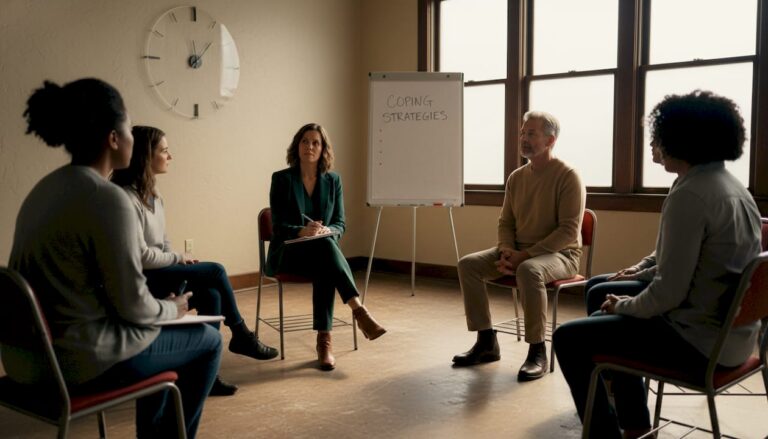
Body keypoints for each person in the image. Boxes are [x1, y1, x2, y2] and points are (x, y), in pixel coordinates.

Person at [6, 78, 221, 438]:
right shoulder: (108, 199)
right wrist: (174, 309)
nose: (134, 138)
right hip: (76, 363)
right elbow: (134, 309)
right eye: (129, 127)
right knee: (208, 341)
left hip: (24, 360)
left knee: (157, 331)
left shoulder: (43, 191)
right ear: (113, 138)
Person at [553, 90, 762, 439]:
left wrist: (625, 306)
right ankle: (633, 421)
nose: (656, 144)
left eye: (659, 135)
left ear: (681, 138)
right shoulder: (732, 187)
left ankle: (606, 432)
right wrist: (629, 294)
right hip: (735, 336)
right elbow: (685, 267)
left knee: (567, 337)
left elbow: (668, 292)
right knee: (606, 297)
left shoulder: (691, 195)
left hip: (699, 343)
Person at [111, 125, 278, 396]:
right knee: (216, 270)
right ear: (145, 156)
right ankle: (241, 334)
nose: (170, 156)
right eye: (164, 150)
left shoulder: (154, 195)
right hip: (142, 280)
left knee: (212, 295)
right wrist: (178, 258)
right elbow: (139, 256)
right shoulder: (125, 199)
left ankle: (206, 375)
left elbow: (162, 242)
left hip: (161, 271)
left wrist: (175, 259)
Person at [452, 111, 586, 381]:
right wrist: (505, 252)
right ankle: (486, 341)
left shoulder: (568, 176)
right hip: (519, 252)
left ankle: (537, 349)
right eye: (523, 133)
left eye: (531, 134)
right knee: (468, 265)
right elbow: (506, 222)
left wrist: (523, 256)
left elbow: (568, 231)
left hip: (560, 255)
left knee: (528, 270)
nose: (524, 139)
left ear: (550, 140)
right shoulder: (516, 177)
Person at [267, 123, 386, 371]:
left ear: (323, 149)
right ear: (297, 146)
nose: (310, 146)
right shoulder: (281, 179)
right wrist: (302, 230)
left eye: (315, 142)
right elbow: (277, 226)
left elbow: (340, 223)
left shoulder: (333, 180)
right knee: (326, 253)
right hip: (289, 253)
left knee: (324, 256)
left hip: (320, 252)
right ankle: (357, 312)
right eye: (305, 141)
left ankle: (325, 341)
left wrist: (326, 230)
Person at [582, 144, 665, 315]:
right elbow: (664, 252)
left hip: (682, 316)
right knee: (595, 284)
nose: (650, 143)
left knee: (596, 294)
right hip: (667, 284)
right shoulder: (683, 185)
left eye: (658, 137)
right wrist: (638, 267)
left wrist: (636, 279)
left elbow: (672, 273)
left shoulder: (691, 197)